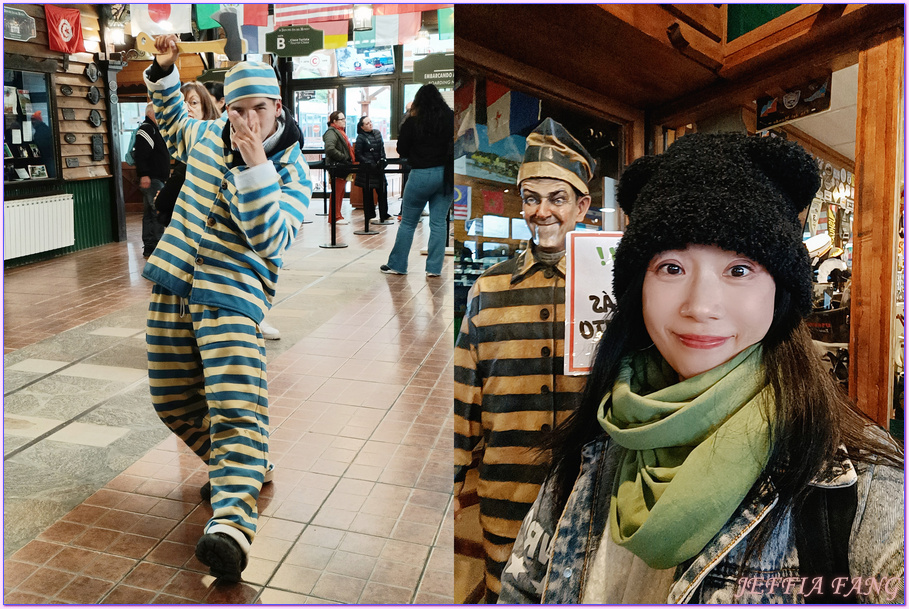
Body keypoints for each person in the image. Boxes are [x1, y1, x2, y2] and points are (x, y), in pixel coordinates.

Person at [498, 133, 904, 604]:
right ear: (638, 288)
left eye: (739, 269)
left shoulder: (860, 487)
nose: (700, 306)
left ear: (781, 292)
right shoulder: (596, 444)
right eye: (671, 268)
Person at [143, 34, 311, 582]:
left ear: (276, 108)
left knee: (238, 409)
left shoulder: (291, 169)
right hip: (172, 284)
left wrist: (255, 164)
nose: (246, 120)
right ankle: (243, 465)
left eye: (258, 109)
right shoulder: (205, 137)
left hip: (232, 299)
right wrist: (166, 66)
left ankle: (232, 527)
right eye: (237, 108)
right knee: (170, 397)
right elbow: (172, 118)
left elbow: (272, 238)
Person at [453, 118, 595, 603]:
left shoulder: (610, 288)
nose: (542, 211)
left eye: (557, 198)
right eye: (531, 198)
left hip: (590, 498)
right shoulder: (488, 288)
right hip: (506, 500)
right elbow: (462, 397)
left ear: (582, 205)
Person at [381, 84, 453, 277]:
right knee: (439, 223)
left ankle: (397, 265)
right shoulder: (450, 119)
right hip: (445, 175)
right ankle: (434, 269)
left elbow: (402, 149)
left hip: (420, 174)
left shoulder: (413, 123)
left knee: (408, 223)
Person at [153, 82, 219, 228]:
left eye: (193, 102)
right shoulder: (181, 143)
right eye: (181, 104)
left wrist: (164, 196)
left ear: (206, 107)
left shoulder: (210, 144)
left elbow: (163, 201)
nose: (187, 108)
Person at [132, 102, 170, 257]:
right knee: (156, 211)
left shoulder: (154, 129)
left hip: (155, 177)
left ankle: (150, 246)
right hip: (152, 177)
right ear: (151, 113)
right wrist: (144, 174)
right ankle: (156, 245)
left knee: (149, 213)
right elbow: (141, 154)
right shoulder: (147, 129)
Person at [354, 116, 393, 225]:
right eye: (367, 123)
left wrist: (383, 160)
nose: (370, 124)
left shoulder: (377, 133)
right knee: (368, 194)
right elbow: (358, 154)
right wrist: (369, 163)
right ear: (362, 127)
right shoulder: (361, 137)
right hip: (367, 169)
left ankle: (384, 214)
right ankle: (370, 215)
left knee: (383, 190)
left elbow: (381, 148)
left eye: (371, 122)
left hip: (379, 168)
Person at [322, 110, 354, 225]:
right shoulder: (331, 132)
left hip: (342, 167)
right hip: (337, 166)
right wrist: (344, 157)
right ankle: (334, 217)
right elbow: (330, 149)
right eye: (341, 119)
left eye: (344, 119)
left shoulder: (339, 132)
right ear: (334, 121)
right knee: (337, 192)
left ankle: (337, 215)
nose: (344, 121)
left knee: (340, 192)